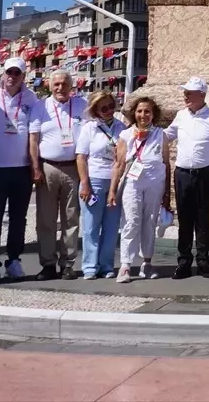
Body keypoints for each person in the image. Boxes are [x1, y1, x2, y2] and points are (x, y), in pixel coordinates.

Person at [0, 57, 44, 281]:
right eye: (9, 72)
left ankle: (14, 260)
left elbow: (34, 135)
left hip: (21, 168)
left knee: (19, 218)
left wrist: (35, 166)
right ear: (3, 73)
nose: (12, 76)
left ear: (23, 76)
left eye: (17, 73)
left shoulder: (31, 97)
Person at [164, 77, 209, 279]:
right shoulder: (181, 115)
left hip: (205, 174)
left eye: (190, 92)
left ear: (202, 95)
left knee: (202, 220)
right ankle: (183, 262)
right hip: (182, 173)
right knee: (184, 220)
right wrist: (143, 132)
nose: (185, 95)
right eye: (185, 92)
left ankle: (203, 262)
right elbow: (167, 135)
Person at [109, 96, 170, 284]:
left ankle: (147, 262)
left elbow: (166, 164)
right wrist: (112, 190)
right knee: (131, 221)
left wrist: (168, 193)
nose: (143, 115)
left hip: (154, 182)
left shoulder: (161, 134)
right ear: (134, 113)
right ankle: (126, 265)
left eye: (147, 111)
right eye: (139, 111)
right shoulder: (126, 135)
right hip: (132, 183)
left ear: (153, 114)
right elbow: (118, 164)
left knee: (150, 221)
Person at [33, 70, 86, 280]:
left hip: (74, 167)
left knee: (71, 218)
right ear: (49, 86)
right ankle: (47, 263)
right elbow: (33, 140)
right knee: (45, 219)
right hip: (48, 168)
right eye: (56, 84)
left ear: (71, 86)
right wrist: (35, 167)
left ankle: (68, 263)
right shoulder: (40, 107)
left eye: (64, 84)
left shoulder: (82, 105)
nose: (60, 88)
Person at [76, 91, 124, 279]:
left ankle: (106, 265)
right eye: (103, 108)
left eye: (111, 106)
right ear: (96, 110)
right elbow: (81, 157)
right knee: (91, 226)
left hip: (114, 180)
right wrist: (84, 183)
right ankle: (89, 266)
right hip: (94, 178)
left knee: (111, 227)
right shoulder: (89, 128)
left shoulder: (121, 127)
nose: (108, 111)